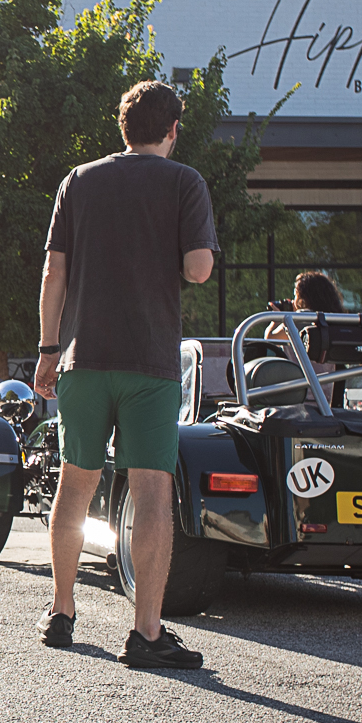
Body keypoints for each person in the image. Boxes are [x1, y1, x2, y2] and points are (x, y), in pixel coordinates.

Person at [35, 79, 218, 669]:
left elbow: (54, 274)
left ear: (123, 127)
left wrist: (48, 349)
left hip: (83, 360)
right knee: (151, 493)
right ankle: (145, 632)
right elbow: (198, 270)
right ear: (172, 130)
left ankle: (61, 612)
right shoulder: (185, 182)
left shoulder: (78, 181)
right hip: (150, 364)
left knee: (75, 485)